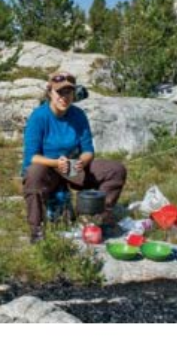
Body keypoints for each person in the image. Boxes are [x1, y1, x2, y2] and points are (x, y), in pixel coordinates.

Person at [22, 71, 127, 243]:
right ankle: (37, 230)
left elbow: (88, 150)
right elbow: (32, 156)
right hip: (47, 169)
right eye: (59, 92)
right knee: (33, 174)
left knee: (115, 170)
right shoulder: (39, 116)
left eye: (68, 92)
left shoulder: (78, 115)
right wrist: (56, 162)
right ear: (50, 93)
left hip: (73, 168)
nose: (64, 97)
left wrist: (81, 162)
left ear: (73, 94)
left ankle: (98, 219)